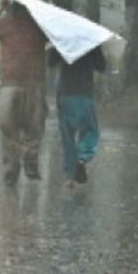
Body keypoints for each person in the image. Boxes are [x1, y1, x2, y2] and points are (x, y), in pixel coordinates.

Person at [0, 0, 48, 185]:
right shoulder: (14, 24)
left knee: (12, 126)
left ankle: (22, 163)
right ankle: (18, 165)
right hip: (25, 83)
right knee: (29, 125)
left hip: (25, 82)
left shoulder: (35, 25)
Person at [49, 45, 106, 186]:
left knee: (67, 136)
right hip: (84, 94)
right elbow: (102, 66)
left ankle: (70, 177)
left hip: (65, 95)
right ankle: (82, 158)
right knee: (90, 130)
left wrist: (56, 47)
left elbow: (50, 62)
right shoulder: (91, 42)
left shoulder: (62, 40)